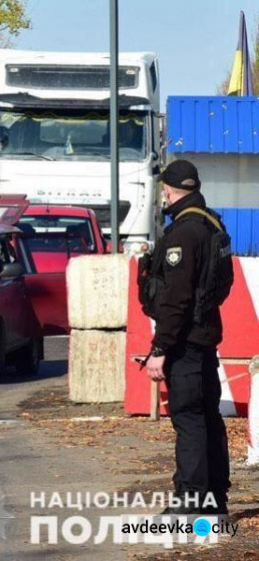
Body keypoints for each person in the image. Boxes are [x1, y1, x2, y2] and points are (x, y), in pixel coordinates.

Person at [139, 159, 234, 515]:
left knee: (190, 418)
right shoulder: (212, 225)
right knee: (209, 416)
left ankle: (192, 500)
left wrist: (161, 347)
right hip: (206, 336)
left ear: (168, 190)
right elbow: (222, 285)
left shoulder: (182, 233)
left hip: (185, 342)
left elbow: (176, 298)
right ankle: (215, 499)